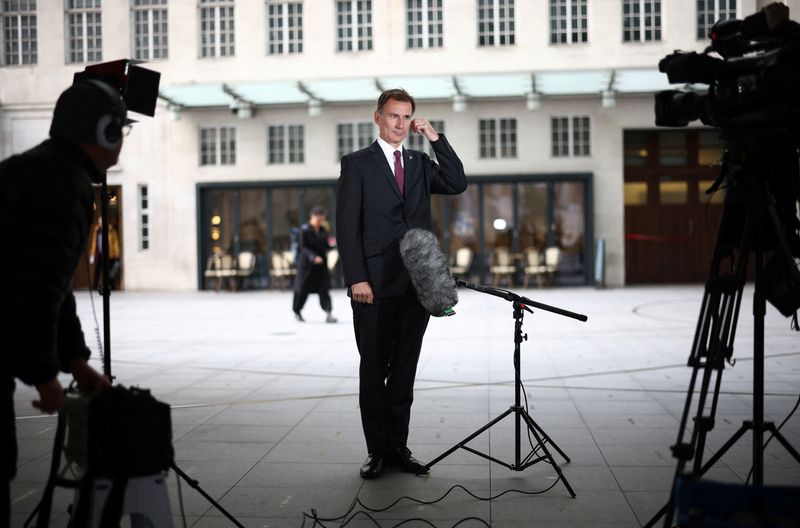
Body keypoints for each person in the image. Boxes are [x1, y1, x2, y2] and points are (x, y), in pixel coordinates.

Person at [0, 79, 124, 524]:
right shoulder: (61, 187)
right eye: (120, 130)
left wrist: (74, 361)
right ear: (105, 132)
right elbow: (36, 287)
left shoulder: (39, 169)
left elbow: (56, 286)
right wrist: (43, 375)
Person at [336, 88, 467, 479]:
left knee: (405, 371)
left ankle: (398, 447)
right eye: (393, 116)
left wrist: (435, 138)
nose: (400, 124)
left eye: (407, 117)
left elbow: (457, 181)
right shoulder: (358, 164)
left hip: (417, 284)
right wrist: (357, 277)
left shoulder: (420, 162)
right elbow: (347, 227)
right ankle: (376, 451)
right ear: (378, 117)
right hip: (372, 285)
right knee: (374, 369)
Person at [292, 206, 337, 323]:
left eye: (322, 219)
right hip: (307, 266)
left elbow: (326, 245)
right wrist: (313, 257)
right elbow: (303, 247)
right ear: (312, 217)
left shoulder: (323, 229)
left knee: (324, 290)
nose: (320, 222)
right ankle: (297, 311)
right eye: (318, 219)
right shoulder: (304, 230)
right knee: (302, 290)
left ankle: (329, 312)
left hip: (321, 266)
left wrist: (332, 244)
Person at [89, 216, 121, 291]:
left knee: (108, 271)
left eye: (101, 222)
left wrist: (117, 254)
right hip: (99, 254)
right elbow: (94, 243)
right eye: (99, 222)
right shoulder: (97, 230)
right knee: (97, 270)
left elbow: (115, 242)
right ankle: (94, 286)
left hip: (108, 254)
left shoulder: (111, 230)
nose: (100, 224)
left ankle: (111, 286)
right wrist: (92, 254)